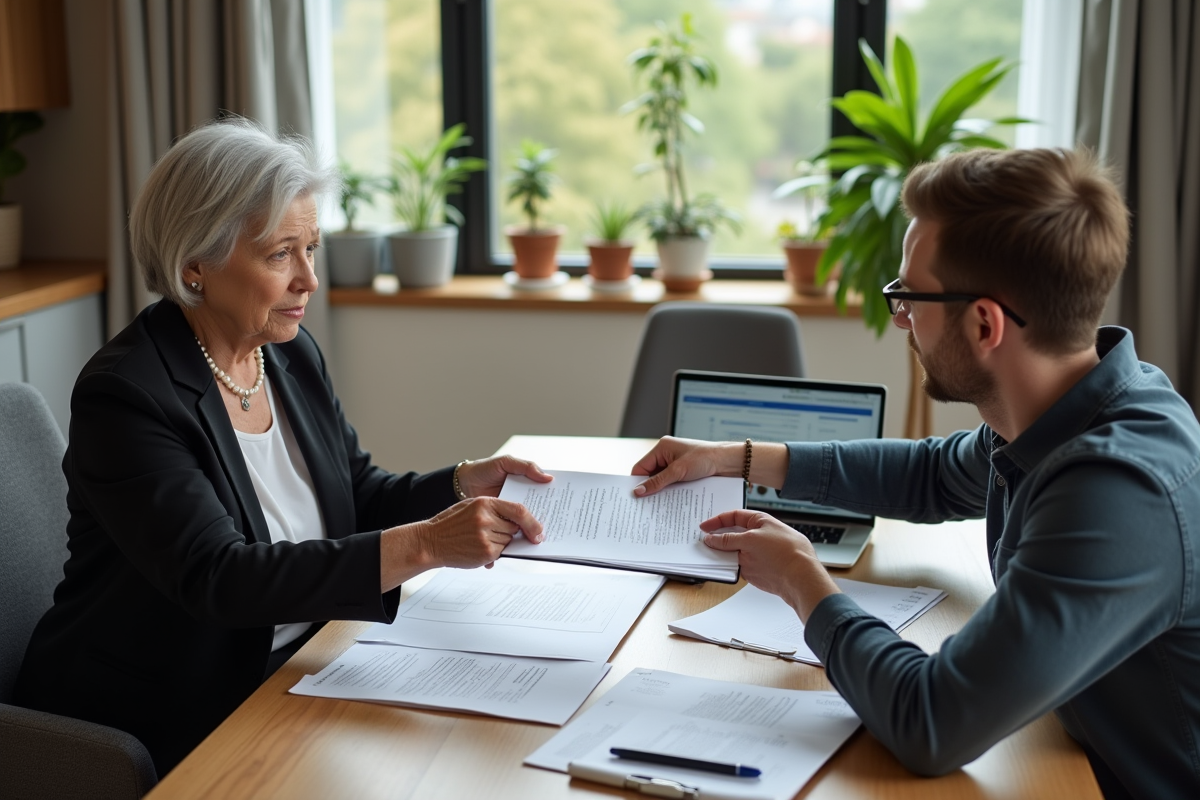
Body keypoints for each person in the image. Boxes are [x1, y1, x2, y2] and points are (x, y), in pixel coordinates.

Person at [630, 148, 1200, 799]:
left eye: (909, 299)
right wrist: (739, 458)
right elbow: (933, 473)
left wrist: (801, 582)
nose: (902, 321)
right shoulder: (1073, 404)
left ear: (984, 322)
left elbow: (931, 721)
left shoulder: (1116, 494)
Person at [13, 118, 550, 775]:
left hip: (305, 665)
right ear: (195, 267)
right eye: (280, 255)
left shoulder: (287, 356)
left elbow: (355, 494)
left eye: (312, 249)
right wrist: (429, 544)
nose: (309, 281)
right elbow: (222, 577)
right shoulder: (125, 395)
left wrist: (464, 483)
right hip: (169, 708)